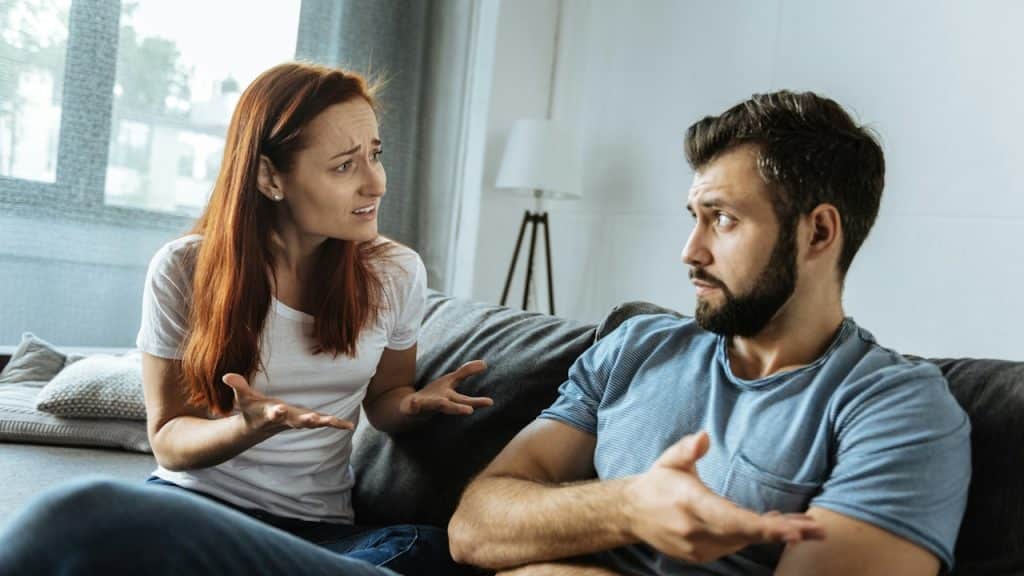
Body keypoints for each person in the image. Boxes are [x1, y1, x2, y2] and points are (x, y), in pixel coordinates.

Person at [448, 91, 971, 576]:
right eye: (694, 217)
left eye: (722, 219)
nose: (690, 251)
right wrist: (631, 506)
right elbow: (473, 529)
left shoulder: (899, 410)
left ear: (818, 232)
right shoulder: (635, 346)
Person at [0, 62, 491, 576]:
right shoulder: (184, 269)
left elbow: (384, 401)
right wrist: (246, 427)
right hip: (196, 512)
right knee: (82, 513)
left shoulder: (394, 273)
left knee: (425, 547)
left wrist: (413, 404)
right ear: (268, 176)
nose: (376, 184)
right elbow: (168, 438)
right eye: (345, 166)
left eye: (375, 155)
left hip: (319, 534)